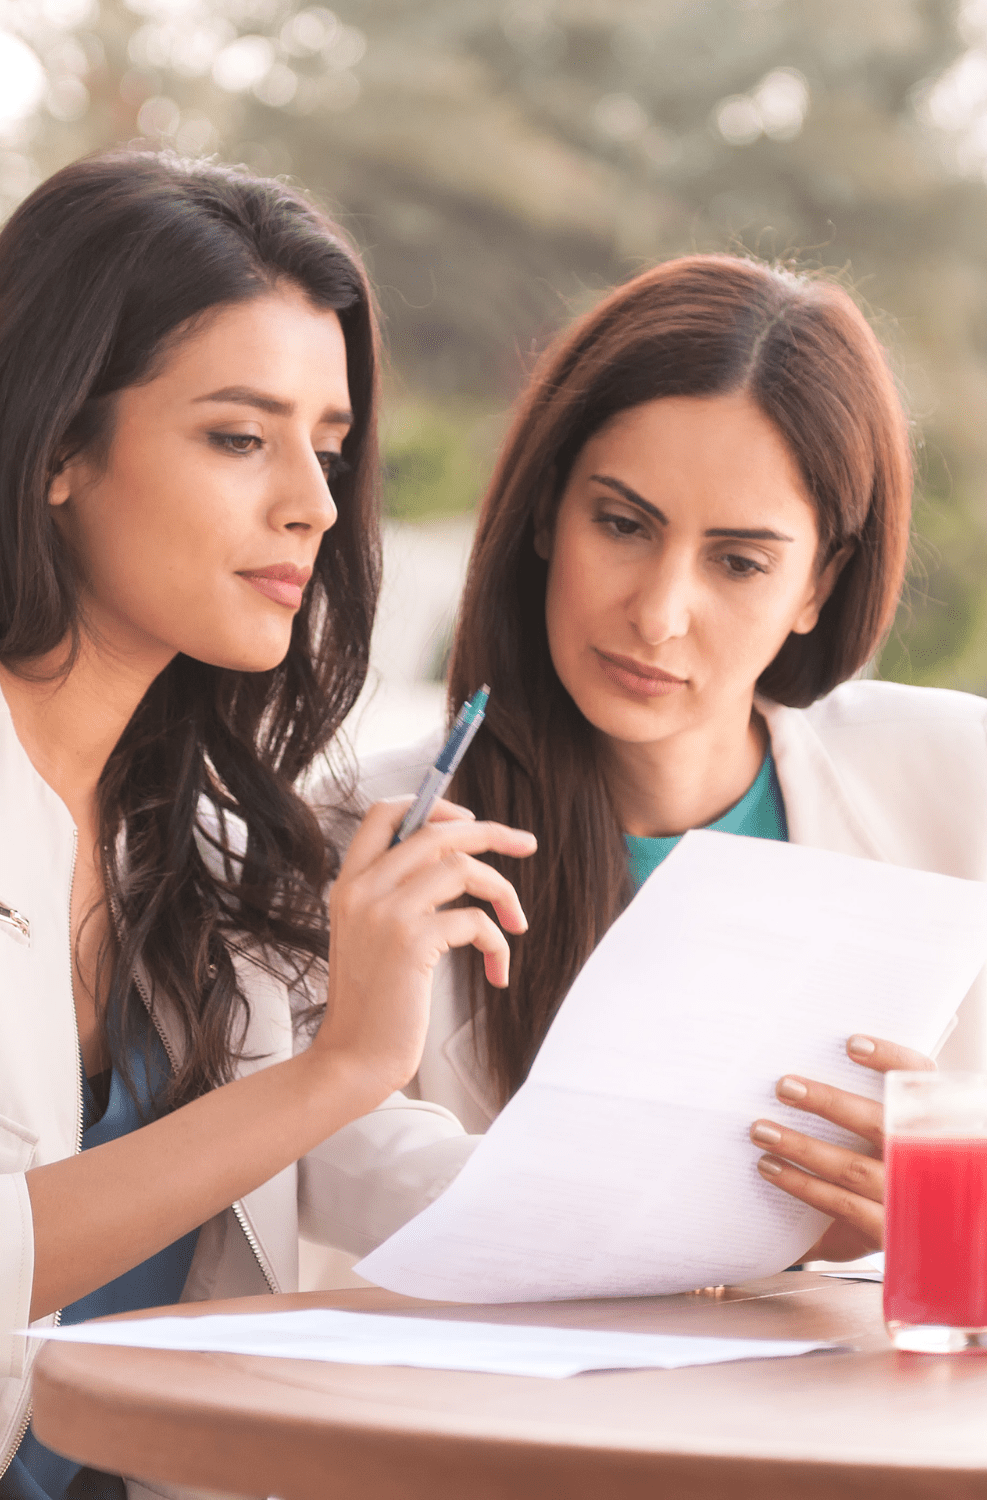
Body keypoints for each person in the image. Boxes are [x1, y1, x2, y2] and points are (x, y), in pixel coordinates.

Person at [0, 150, 537, 1500]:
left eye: (331, 445)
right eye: (240, 437)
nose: (311, 500)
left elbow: (355, 1162)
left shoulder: (197, 846)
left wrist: (751, 1215)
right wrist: (342, 1061)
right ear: (58, 443)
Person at [316, 253, 984, 1272]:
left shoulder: (959, 785)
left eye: (739, 561)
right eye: (622, 525)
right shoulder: (360, 832)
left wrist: (949, 1209)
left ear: (818, 584)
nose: (659, 615)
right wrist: (747, 1222)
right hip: (503, 1424)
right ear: (546, 512)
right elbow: (328, 1158)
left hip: (853, 1421)